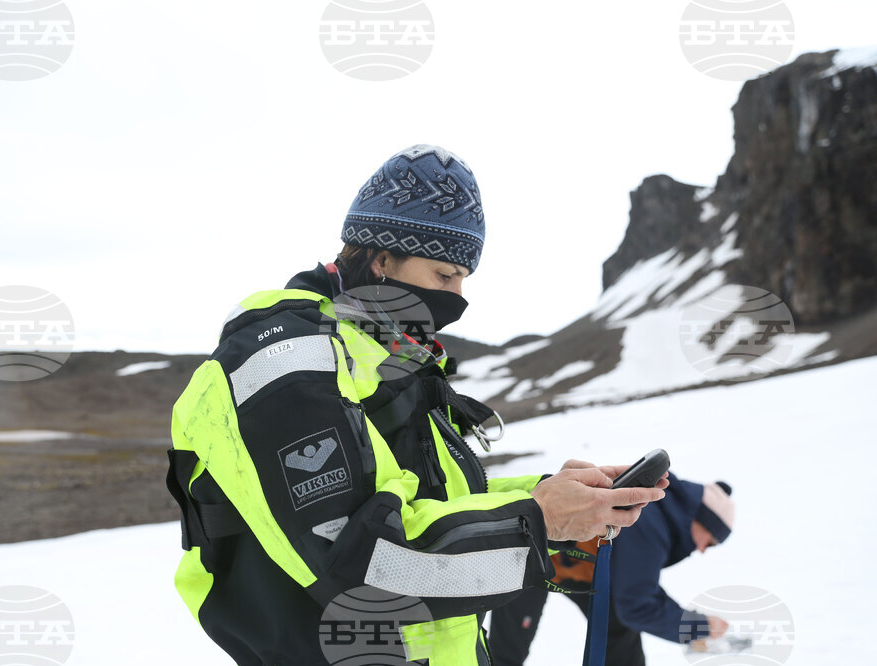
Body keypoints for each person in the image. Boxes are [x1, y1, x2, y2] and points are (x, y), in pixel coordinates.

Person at [166, 144, 667, 666]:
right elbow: (366, 563)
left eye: (463, 280)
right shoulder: (288, 366)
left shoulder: (382, 355)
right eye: (443, 276)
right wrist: (539, 521)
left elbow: (426, 502)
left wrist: (548, 495)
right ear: (382, 259)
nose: (456, 298)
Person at [488, 473, 735, 666]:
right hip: (529, 559)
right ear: (701, 520)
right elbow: (638, 604)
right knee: (505, 655)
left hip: (582, 572)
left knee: (621, 643)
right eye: (710, 542)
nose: (703, 549)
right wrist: (698, 626)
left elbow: (638, 588)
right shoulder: (650, 526)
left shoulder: (659, 516)